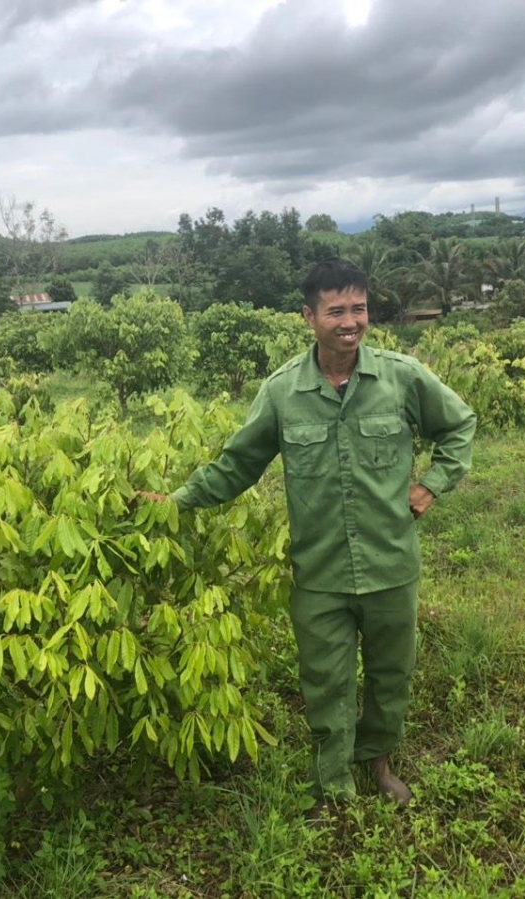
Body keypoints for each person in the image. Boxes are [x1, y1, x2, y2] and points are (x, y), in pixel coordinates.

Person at [145, 258, 476, 813]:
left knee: (391, 675)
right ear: (309, 316)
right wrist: (178, 501)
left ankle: (378, 761)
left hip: (391, 564)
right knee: (325, 681)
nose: (351, 322)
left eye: (360, 309)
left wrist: (432, 485)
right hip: (319, 572)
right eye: (336, 311)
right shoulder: (282, 393)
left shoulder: (402, 376)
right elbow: (238, 464)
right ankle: (334, 784)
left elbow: (459, 424)